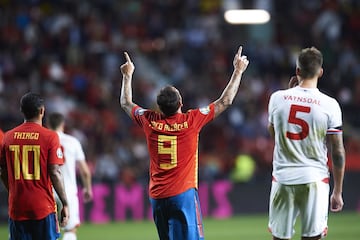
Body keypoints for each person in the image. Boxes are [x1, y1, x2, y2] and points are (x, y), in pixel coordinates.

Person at [119, 46, 249, 240]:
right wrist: (238, 71)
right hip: (182, 195)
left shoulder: (149, 120)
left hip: (157, 197)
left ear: (159, 108)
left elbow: (126, 103)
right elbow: (225, 101)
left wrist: (127, 75)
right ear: (181, 103)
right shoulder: (191, 121)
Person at [267, 47, 346, 240]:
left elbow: (274, 135)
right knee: (312, 237)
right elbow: (337, 151)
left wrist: (288, 92)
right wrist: (337, 191)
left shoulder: (277, 98)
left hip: (283, 178)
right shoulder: (330, 104)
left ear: (297, 70)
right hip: (315, 179)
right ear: (320, 72)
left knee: (280, 238)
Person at [0, 92, 69, 240]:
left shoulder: (8, 137)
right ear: (42, 111)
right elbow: (55, 172)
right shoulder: (50, 137)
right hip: (43, 207)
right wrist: (65, 203)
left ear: (21, 111)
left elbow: (2, 171)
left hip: (17, 208)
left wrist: (13, 190)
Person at [47, 112, 93, 240]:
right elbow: (84, 170)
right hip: (67, 191)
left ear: (47, 124)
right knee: (70, 230)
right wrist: (87, 189)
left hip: (47, 191)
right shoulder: (73, 142)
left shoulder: (43, 141)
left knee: (47, 230)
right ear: (62, 124)